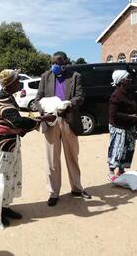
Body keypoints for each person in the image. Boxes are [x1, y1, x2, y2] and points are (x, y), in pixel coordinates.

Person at [0, 69, 55, 226]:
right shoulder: (3, 101)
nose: (19, 82)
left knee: (7, 178)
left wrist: (33, 118)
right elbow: (18, 122)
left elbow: (17, 120)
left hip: (5, 145)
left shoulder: (7, 96)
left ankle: (5, 206)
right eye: (17, 81)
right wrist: (43, 118)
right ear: (10, 84)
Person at [35, 51, 91, 207]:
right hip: (50, 121)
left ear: (65, 63)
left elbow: (80, 96)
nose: (55, 66)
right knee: (52, 159)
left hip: (68, 119)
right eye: (52, 62)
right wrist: (44, 110)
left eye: (58, 63)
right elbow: (37, 99)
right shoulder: (45, 77)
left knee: (72, 156)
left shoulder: (75, 76)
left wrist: (69, 103)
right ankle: (53, 192)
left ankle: (76, 187)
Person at [107, 70, 137, 181]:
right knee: (117, 149)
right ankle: (111, 171)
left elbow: (132, 106)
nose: (130, 79)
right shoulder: (116, 95)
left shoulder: (128, 92)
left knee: (127, 149)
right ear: (121, 81)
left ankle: (121, 170)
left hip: (129, 127)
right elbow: (114, 114)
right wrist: (131, 117)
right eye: (128, 78)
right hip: (119, 128)